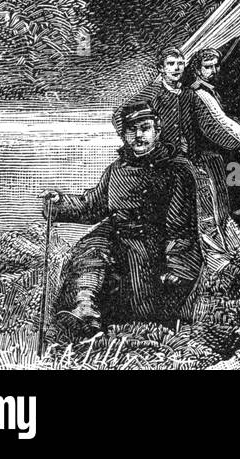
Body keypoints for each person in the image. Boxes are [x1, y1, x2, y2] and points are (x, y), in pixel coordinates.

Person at [43, 101, 201, 338]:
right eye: (131, 129)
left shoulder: (177, 171)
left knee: (140, 313)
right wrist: (59, 203)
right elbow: (92, 205)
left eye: (145, 128)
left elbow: (181, 227)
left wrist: (177, 266)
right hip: (114, 238)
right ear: (123, 134)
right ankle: (85, 306)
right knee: (91, 249)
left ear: (157, 131)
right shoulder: (116, 169)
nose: (138, 135)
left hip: (150, 248)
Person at [184, 47, 240, 275]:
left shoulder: (209, 91)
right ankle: (217, 264)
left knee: (221, 207)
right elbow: (218, 124)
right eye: (207, 67)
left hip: (214, 159)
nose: (213, 71)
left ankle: (231, 257)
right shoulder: (199, 94)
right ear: (197, 69)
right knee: (210, 210)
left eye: (215, 66)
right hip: (201, 160)